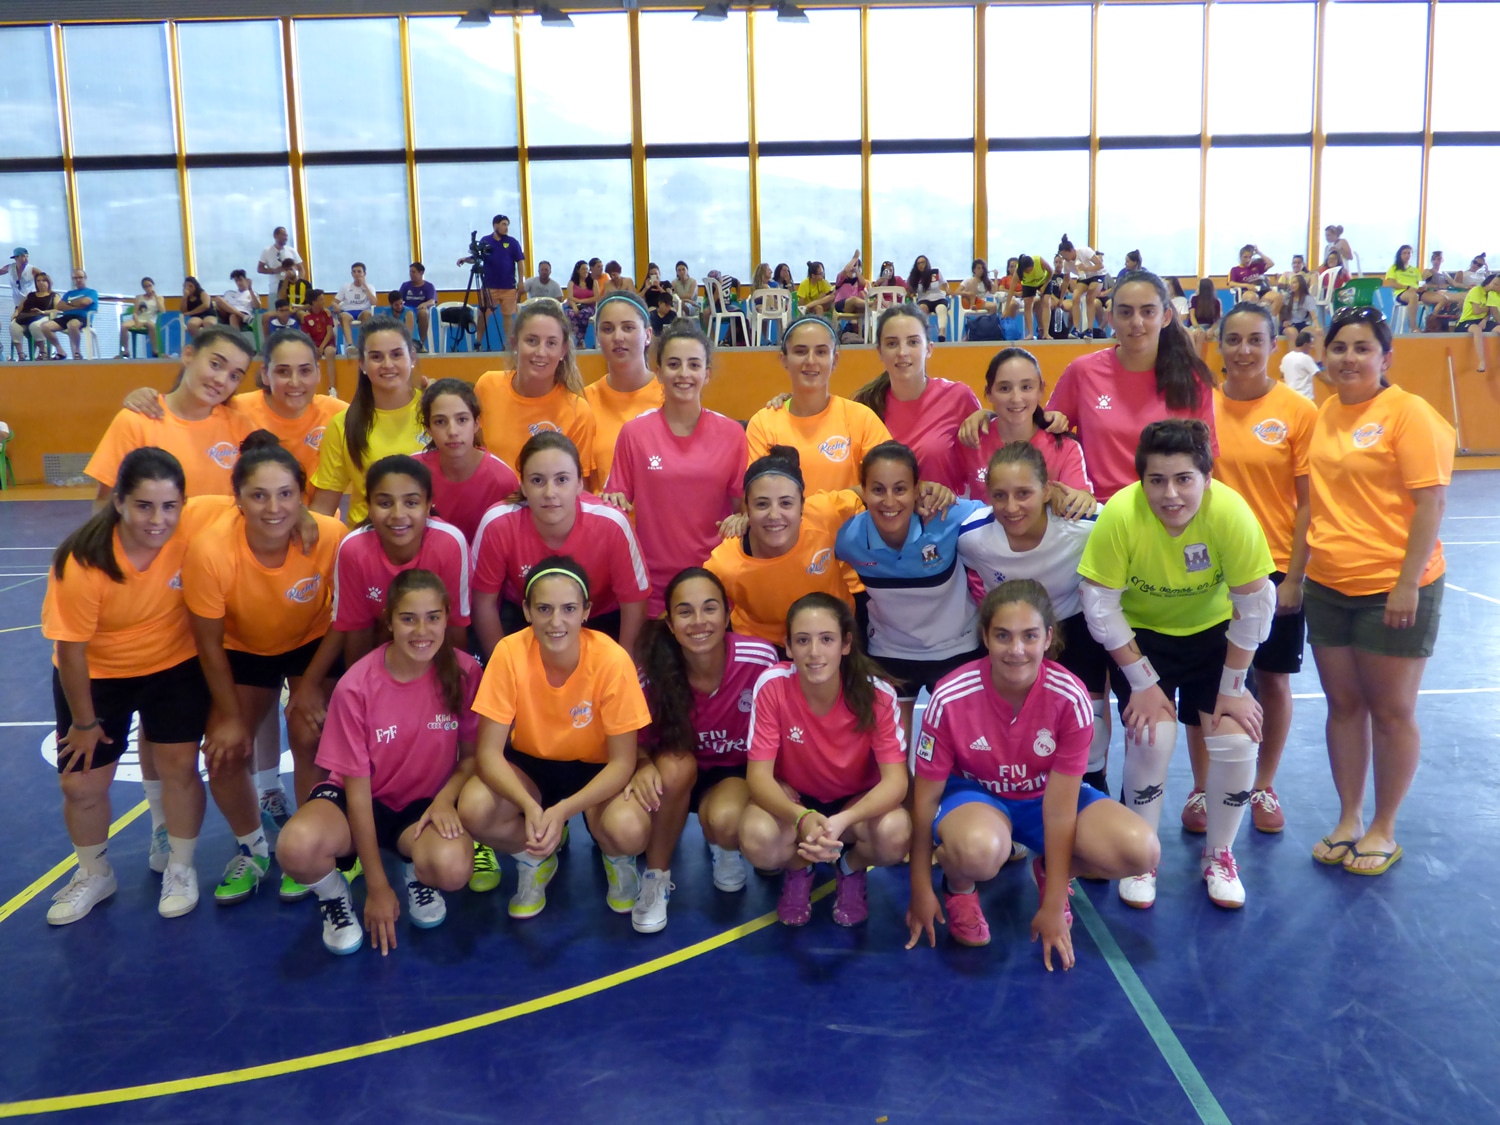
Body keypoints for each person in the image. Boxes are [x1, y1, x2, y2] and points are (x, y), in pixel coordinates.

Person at [1078, 419, 1275, 909]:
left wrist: (1233, 687)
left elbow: (1255, 605)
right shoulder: (1121, 515)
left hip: (1214, 637)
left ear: (1207, 477)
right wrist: (1142, 682)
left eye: (1184, 478)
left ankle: (1220, 854)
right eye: (1157, 480)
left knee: (1234, 735)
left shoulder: (1230, 513)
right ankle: (1140, 856)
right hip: (1145, 638)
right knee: (1152, 734)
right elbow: (1099, 606)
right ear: (1140, 480)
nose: (1170, 494)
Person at [906, 581, 1159, 959]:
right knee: (979, 850)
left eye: (1029, 636)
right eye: (1003, 636)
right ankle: (959, 888)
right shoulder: (950, 696)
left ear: (1048, 638)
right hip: (978, 800)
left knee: (1141, 851)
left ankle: (1051, 869)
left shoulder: (1070, 697)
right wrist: (920, 888)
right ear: (986, 638)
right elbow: (923, 801)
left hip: (1045, 798)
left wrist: (1054, 902)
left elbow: (1059, 810)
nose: (1017, 649)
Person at [41, 449, 221, 924]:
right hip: (96, 677)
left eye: (169, 506)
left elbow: (263, 506)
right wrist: (83, 723)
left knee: (180, 767)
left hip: (174, 666)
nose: (158, 519)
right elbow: (72, 652)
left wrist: (307, 522)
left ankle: (180, 867)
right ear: (119, 502)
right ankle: (95, 873)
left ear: (184, 503)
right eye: (144, 506)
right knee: (80, 784)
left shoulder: (197, 521)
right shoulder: (82, 563)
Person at [1303, 308, 1453, 875]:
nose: (1349, 358)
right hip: (1329, 583)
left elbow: (1431, 503)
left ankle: (1383, 827)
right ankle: (1349, 818)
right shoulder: (1326, 413)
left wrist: (1407, 583)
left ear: (1385, 358)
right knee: (1344, 707)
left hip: (1391, 587)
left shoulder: (1410, 414)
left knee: (1390, 711)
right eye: (1339, 347)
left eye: (1362, 348)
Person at [275, 569, 479, 954]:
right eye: (408, 618)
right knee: (295, 848)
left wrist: (445, 799)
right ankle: (333, 894)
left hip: (422, 808)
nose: (422, 630)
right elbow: (357, 794)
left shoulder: (466, 672)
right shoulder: (357, 685)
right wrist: (378, 888)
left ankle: (417, 870)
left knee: (453, 868)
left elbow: (470, 760)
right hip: (359, 804)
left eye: (433, 617)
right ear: (389, 620)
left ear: (447, 617)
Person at [183, 431, 346, 906]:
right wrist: (231, 717)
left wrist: (311, 686)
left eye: (285, 494)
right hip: (242, 648)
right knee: (226, 751)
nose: (273, 508)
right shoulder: (211, 550)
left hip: (310, 642)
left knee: (311, 729)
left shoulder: (330, 536)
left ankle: (310, 843)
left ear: (302, 495)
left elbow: (346, 618)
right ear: (237, 500)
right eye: (258, 495)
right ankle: (252, 848)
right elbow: (209, 644)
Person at [458, 557, 653, 919]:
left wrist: (563, 810)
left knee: (628, 830)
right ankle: (536, 856)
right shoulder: (509, 652)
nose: (556, 621)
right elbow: (488, 754)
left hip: (596, 769)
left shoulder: (612, 660)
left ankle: (616, 857)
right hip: (533, 768)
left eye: (568, 609)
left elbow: (624, 761)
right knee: (473, 807)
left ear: (586, 612)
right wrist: (531, 808)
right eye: (544, 609)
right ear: (528, 611)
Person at [1208, 303, 1317, 835]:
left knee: (1271, 680)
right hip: (1210, 572)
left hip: (1272, 568)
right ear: (1219, 345)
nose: (1244, 350)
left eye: (1255, 339)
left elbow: (1307, 503)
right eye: (1234, 339)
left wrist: (1295, 575)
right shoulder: (1202, 409)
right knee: (1210, 683)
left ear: (1274, 344)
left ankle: (1263, 785)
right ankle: (1205, 791)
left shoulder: (1298, 413)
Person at [739, 593, 910, 927]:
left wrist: (844, 821)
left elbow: (896, 782)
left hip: (855, 804)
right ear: (788, 646)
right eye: (803, 640)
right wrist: (801, 817)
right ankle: (798, 868)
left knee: (895, 834)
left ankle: (851, 866)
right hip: (798, 801)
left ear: (845, 644)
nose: (814, 653)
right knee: (756, 837)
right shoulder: (772, 686)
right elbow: (758, 778)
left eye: (826, 639)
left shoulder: (876, 693)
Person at [628, 569, 779, 932]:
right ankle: (656, 877)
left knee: (727, 822)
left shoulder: (760, 659)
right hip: (676, 775)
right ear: (669, 622)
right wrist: (643, 763)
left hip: (733, 774)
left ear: (727, 615)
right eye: (685, 612)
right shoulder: (650, 672)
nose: (698, 622)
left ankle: (724, 850)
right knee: (676, 766)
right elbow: (630, 737)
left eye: (709, 609)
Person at [956, 442, 1110, 791]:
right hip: (1013, 633)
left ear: (1048, 491)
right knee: (1013, 720)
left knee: (1091, 723)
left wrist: (1089, 500)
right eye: (999, 495)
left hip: (1073, 626)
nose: (1011, 507)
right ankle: (1015, 789)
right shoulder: (972, 538)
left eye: (1024, 493)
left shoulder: (1087, 526)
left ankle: (1092, 782)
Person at [834, 442, 985, 738]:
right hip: (890, 654)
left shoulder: (946, 516)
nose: (889, 501)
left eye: (900, 489)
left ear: (918, 489)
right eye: (878, 490)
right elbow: (795, 529)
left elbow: (1005, 516)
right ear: (862, 491)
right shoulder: (849, 537)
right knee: (892, 755)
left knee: (964, 749)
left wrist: (1056, 494)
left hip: (957, 649)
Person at [602, 319, 748, 617]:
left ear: (707, 374)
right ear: (658, 371)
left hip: (713, 581)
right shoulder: (634, 434)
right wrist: (613, 500)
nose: (684, 374)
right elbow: (616, 499)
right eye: (673, 364)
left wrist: (742, 519)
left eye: (694, 365)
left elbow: (743, 509)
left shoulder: (732, 434)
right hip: (652, 588)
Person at [471, 432, 649, 658]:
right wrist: (502, 665)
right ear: (523, 486)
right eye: (537, 480)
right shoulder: (498, 524)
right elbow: (483, 604)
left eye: (562, 480)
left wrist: (625, 668)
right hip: (526, 617)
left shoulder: (612, 525)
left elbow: (634, 604)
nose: (550, 493)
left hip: (601, 618)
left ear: (579, 484)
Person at [705, 447, 865, 648]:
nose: (774, 515)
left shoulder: (824, 514)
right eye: (762, 504)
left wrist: (918, 491)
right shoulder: (726, 564)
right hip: (765, 648)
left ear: (802, 506)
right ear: (746, 508)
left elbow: (865, 492)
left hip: (836, 635)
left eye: (786, 503)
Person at [87, 327, 255, 498]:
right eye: (215, 364)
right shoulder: (136, 420)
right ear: (188, 355)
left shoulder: (243, 428)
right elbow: (105, 502)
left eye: (234, 376)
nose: (221, 380)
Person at [746, 316, 892, 495]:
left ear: (835, 360)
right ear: (784, 359)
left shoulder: (861, 418)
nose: (810, 360)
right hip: (785, 524)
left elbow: (887, 483)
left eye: (821, 352)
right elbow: (755, 497)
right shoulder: (763, 424)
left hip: (851, 524)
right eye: (800, 351)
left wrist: (823, 508)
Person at [851, 304, 982, 495]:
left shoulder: (958, 397)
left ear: (928, 349)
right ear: (880, 351)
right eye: (892, 343)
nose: (902, 352)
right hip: (885, 520)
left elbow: (987, 459)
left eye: (913, 342)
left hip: (947, 520)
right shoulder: (865, 406)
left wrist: (988, 415)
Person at [310, 316, 425, 525]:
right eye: (376, 357)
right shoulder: (342, 425)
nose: (387, 364)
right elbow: (323, 508)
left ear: (412, 357)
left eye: (397, 354)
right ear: (362, 364)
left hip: (431, 539)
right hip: (366, 543)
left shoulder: (434, 412)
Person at [472, 299, 597, 476]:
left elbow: (578, 488)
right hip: (490, 502)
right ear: (515, 344)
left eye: (551, 343)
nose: (540, 352)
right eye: (531, 340)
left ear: (563, 350)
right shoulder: (487, 386)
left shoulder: (578, 412)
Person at [960, 348, 1093, 507]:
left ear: (1041, 390)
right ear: (989, 393)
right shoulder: (971, 441)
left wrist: (1084, 498)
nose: (1016, 398)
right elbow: (951, 495)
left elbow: (1077, 503)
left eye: (1026, 387)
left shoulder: (1064, 447)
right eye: (1004, 388)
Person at [412, 378, 519, 545]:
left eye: (462, 420)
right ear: (428, 429)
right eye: (440, 422)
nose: (452, 431)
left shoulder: (503, 480)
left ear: (476, 423)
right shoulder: (412, 472)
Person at [584, 294, 665, 490]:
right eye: (607, 329)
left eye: (628, 328)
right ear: (597, 337)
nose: (618, 337)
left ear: (647, 335)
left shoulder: (670, 397)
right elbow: (579, 484)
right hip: (605, 518)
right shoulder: (584, 401)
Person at [458, 214, 525, 345]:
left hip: (508, 286)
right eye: (504, 224)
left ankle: (509, 345)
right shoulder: (486, 240)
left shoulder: (512, 242)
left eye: (507, 225)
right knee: (483, 314)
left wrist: (521, 281)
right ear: (496, 225)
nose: (506, 227)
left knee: (508, 316)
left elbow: (520, 262)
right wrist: (465, 259)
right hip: (489, 286)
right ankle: (478, 341)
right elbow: (476, 257)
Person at [41, 267, 99, 360]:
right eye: (75, 278)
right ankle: (60, 351)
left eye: (80, 277)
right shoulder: (69, 293)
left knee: (72, 324)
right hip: (66, 316)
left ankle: (77, 351)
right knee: (45, 326)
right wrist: (77, 304)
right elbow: (59, 306)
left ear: (85, 278)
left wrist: (68, 304)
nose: (78, 280)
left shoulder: (91, 292)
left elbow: (85, 302)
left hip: (83, 317)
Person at [1057, 235, 1108, 338]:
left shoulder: (1084, 251)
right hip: (1084, 278)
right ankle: (1076, 329)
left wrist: (1087, 268)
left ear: (1071, 251)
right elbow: (1066, 281)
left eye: (1064, 255)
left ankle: (1089, 329)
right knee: (1075, 297)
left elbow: (1100, 265)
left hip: (1097, 274)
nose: (1064, 258)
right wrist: (1061, 298)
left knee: (1090, 297)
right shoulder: (1067, 264)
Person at [12, 271, 61, 358]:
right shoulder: (30, 295)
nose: (40, 283)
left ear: (48, 282)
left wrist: (42, 312)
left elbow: (58, 309)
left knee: (35, 325)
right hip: (26, 316)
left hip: (43, 316)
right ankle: (20, 354)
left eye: (43, 280)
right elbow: (19, 308)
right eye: (38, 281)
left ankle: (43, 351)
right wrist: (15, 314)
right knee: (13, 326)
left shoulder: (54, 295)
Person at [1458, 273, 1500, 373]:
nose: (1495, 286)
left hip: (1482, 320)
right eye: (1494, 284)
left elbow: (1489, 313)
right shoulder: (1477, 290)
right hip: (1467, 321)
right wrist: (1489, 307)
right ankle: (1481, 361)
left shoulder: (1491, 295)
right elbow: (1476, 310)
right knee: (1477, 329)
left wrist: (1485, 320)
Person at [1228, 245, 1282, 318]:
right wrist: (1246, 285)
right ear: (1240, 257)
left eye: (1250, 257)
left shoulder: (1256, 266)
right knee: (1252, 297)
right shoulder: (1235, 270)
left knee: (1278, 297)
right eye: (1245, 257)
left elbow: (1271, 264)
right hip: (1247, 292)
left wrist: (1259, 253)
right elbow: (1231, 283)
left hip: (1262, 292)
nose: (1248, 260)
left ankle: (1270, 321)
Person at [908, 255, 950, 341]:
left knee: (941, 308)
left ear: (927, 263)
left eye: (922, 263)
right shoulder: (914, 277)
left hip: (938, 298)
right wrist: (910, 294)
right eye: (918, 263)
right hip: (924, 300)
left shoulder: (935, 272)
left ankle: (942, 333)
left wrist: (947, 289)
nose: (920, 265)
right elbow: (909, 290)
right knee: (922, 308)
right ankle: (923, 334)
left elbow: (944, 283)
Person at [119, 277, 163, 356]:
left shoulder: (159, 298)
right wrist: (137, 322)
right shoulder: (139, 297)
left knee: (151, 325)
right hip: (139, 318)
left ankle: (154, 350)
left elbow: (162, 310)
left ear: (153, 285)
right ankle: (125, 350)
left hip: (150, 319)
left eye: (150, 285)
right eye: (145, 286)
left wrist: (155, 297)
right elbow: (135, 313)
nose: (148, 288)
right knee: (124, 326)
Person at [397, 262, 437, 348]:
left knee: (423, 313)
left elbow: (432, 301)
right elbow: (399, 299)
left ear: (421, 273)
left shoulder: (429, 286)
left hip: (420, 309)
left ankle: (421, 344)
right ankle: (404, 344)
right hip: (407, 309)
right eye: (410, 272)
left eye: (413, 272)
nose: (411, 274)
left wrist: (425, 304)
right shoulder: (405, 285)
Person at [1016, 253, 1054, 341]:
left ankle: (1046, 333)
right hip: (1028, 284)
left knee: (1046, 302)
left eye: (1031, 270)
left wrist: (1044, 287)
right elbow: (1011, 289)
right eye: (1027, 271)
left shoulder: (1039, 261)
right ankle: (1030, 333)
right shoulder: (1019, 270)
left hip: (1044, 281)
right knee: (1027, 306)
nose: (1029, 272)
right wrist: (1006, 308)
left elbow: (1051, 272)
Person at [1281, 330, 1325, 400]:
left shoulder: (1286, 357)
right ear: (1305, 345)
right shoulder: (1306, 358)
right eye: (1310, 344)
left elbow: (1282, 375)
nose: (1311, 347)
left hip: (1290, 397)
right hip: (1304, 398)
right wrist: (1334, 383)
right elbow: (1320, 375)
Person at [563, 260, 597, 346]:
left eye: (587, 269)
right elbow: (570, 297)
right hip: (573, 305)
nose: (585, 271)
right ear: (578, 270)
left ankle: (582, 338)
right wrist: (574, 306)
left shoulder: (593, 282)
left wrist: (581, 301)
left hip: (589, 306)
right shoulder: (572, 283)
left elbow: (596, 297)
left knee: (584, 314)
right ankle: (574, 339)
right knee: (570, 314)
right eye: (583, 269)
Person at [1188, 278, 1221, 353]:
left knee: (1216, 335)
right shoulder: (1194, 299)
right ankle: (1197, 360)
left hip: (1210, 326)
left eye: (1197, 286)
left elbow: (1217, 320)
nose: (1195, 288)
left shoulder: (1216, 302)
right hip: (1196, 325)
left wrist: (1211, 330)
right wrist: (1198, 328)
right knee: (1199, 335)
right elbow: (1192, 316)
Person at [180, 276, 215, 340]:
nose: (188, 288)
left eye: (191, 286)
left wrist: (191, 312)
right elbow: (183, 311)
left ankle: (210, 342)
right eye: (186, 286)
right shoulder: (186, 298)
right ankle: (198, 342)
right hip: (196, 316)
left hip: (208, 314)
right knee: (191, 324)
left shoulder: (202, 293)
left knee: (208, 323)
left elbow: (206, 305)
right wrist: (184, 298)